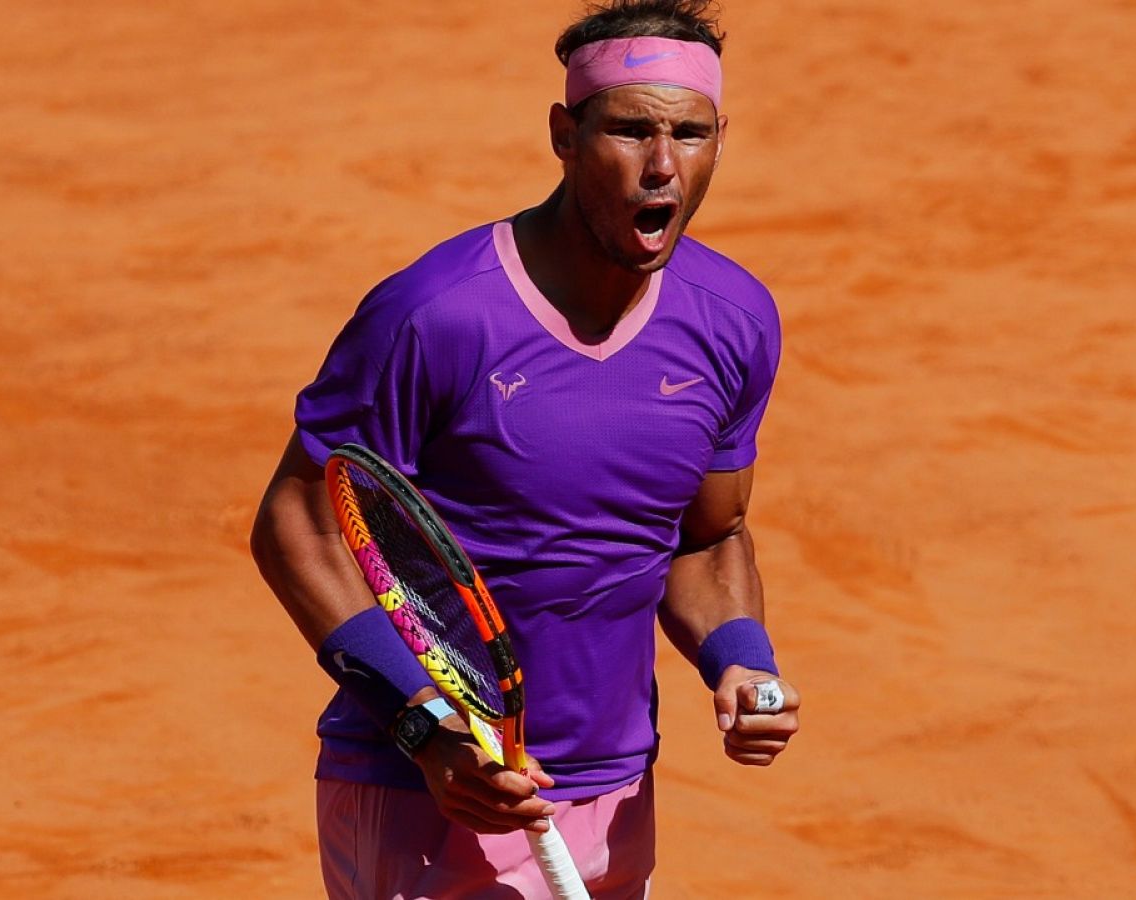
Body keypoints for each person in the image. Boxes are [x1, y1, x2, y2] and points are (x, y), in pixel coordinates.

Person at [249, 2, 800, 896]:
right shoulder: (436, 315)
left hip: (616, 792)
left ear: (720, 140)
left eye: (690, 135)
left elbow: (707, 534)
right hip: (423, 795)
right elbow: (297, 525)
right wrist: (425, 729)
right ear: (564, 134)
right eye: (630, 130)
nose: (663, 167)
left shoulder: (733, 322)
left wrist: (741, 656)